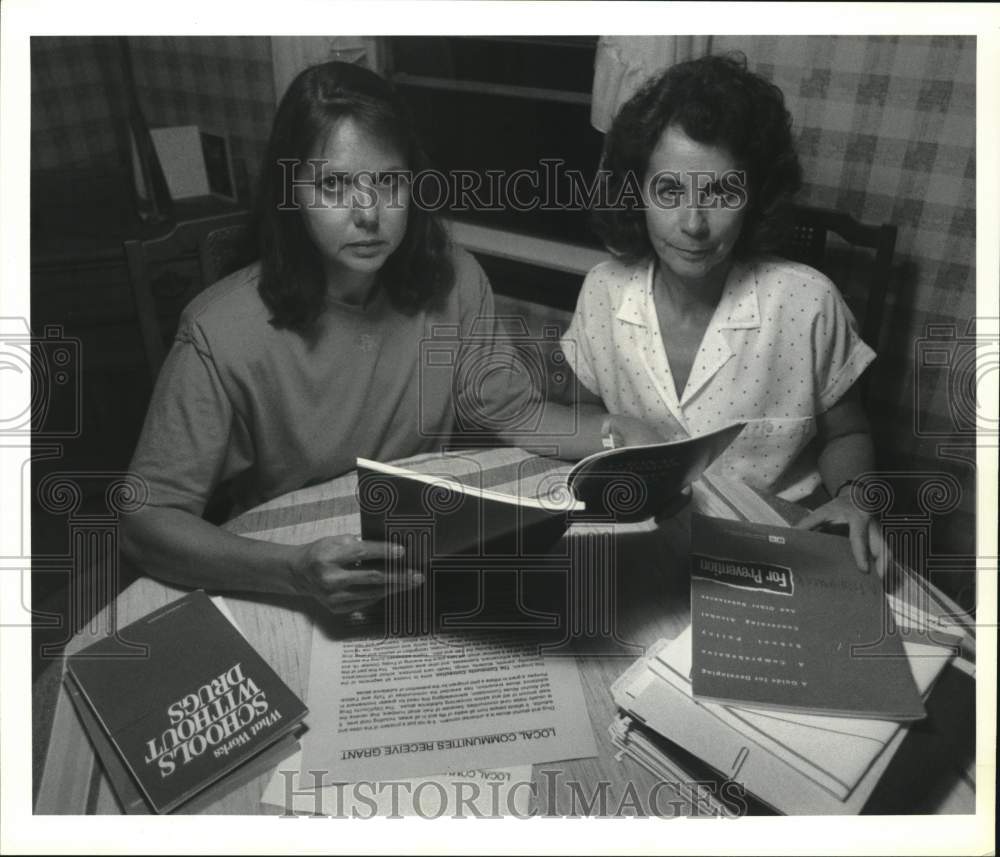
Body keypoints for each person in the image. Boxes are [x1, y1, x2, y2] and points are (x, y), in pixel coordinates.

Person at [121, 61, 542, 615]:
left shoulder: (456, 279)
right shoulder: (218, 330)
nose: (368, 214)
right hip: (283, 569)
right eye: (334, 185)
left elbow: (512, 415)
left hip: (418, 560)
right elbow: (143, 524)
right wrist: (293, 571)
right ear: (290, 194)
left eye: (388, 181)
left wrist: (622, 438)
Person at [560, 53, 882, 572]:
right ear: (636, 191)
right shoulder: (602, 291)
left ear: (755, 197)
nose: (693, 224)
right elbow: (583, 422)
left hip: (773, 549)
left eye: (720, 193)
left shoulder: (810, 303)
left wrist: (856, 497)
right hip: (640, 542)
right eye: (668, 190)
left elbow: (847, 434)